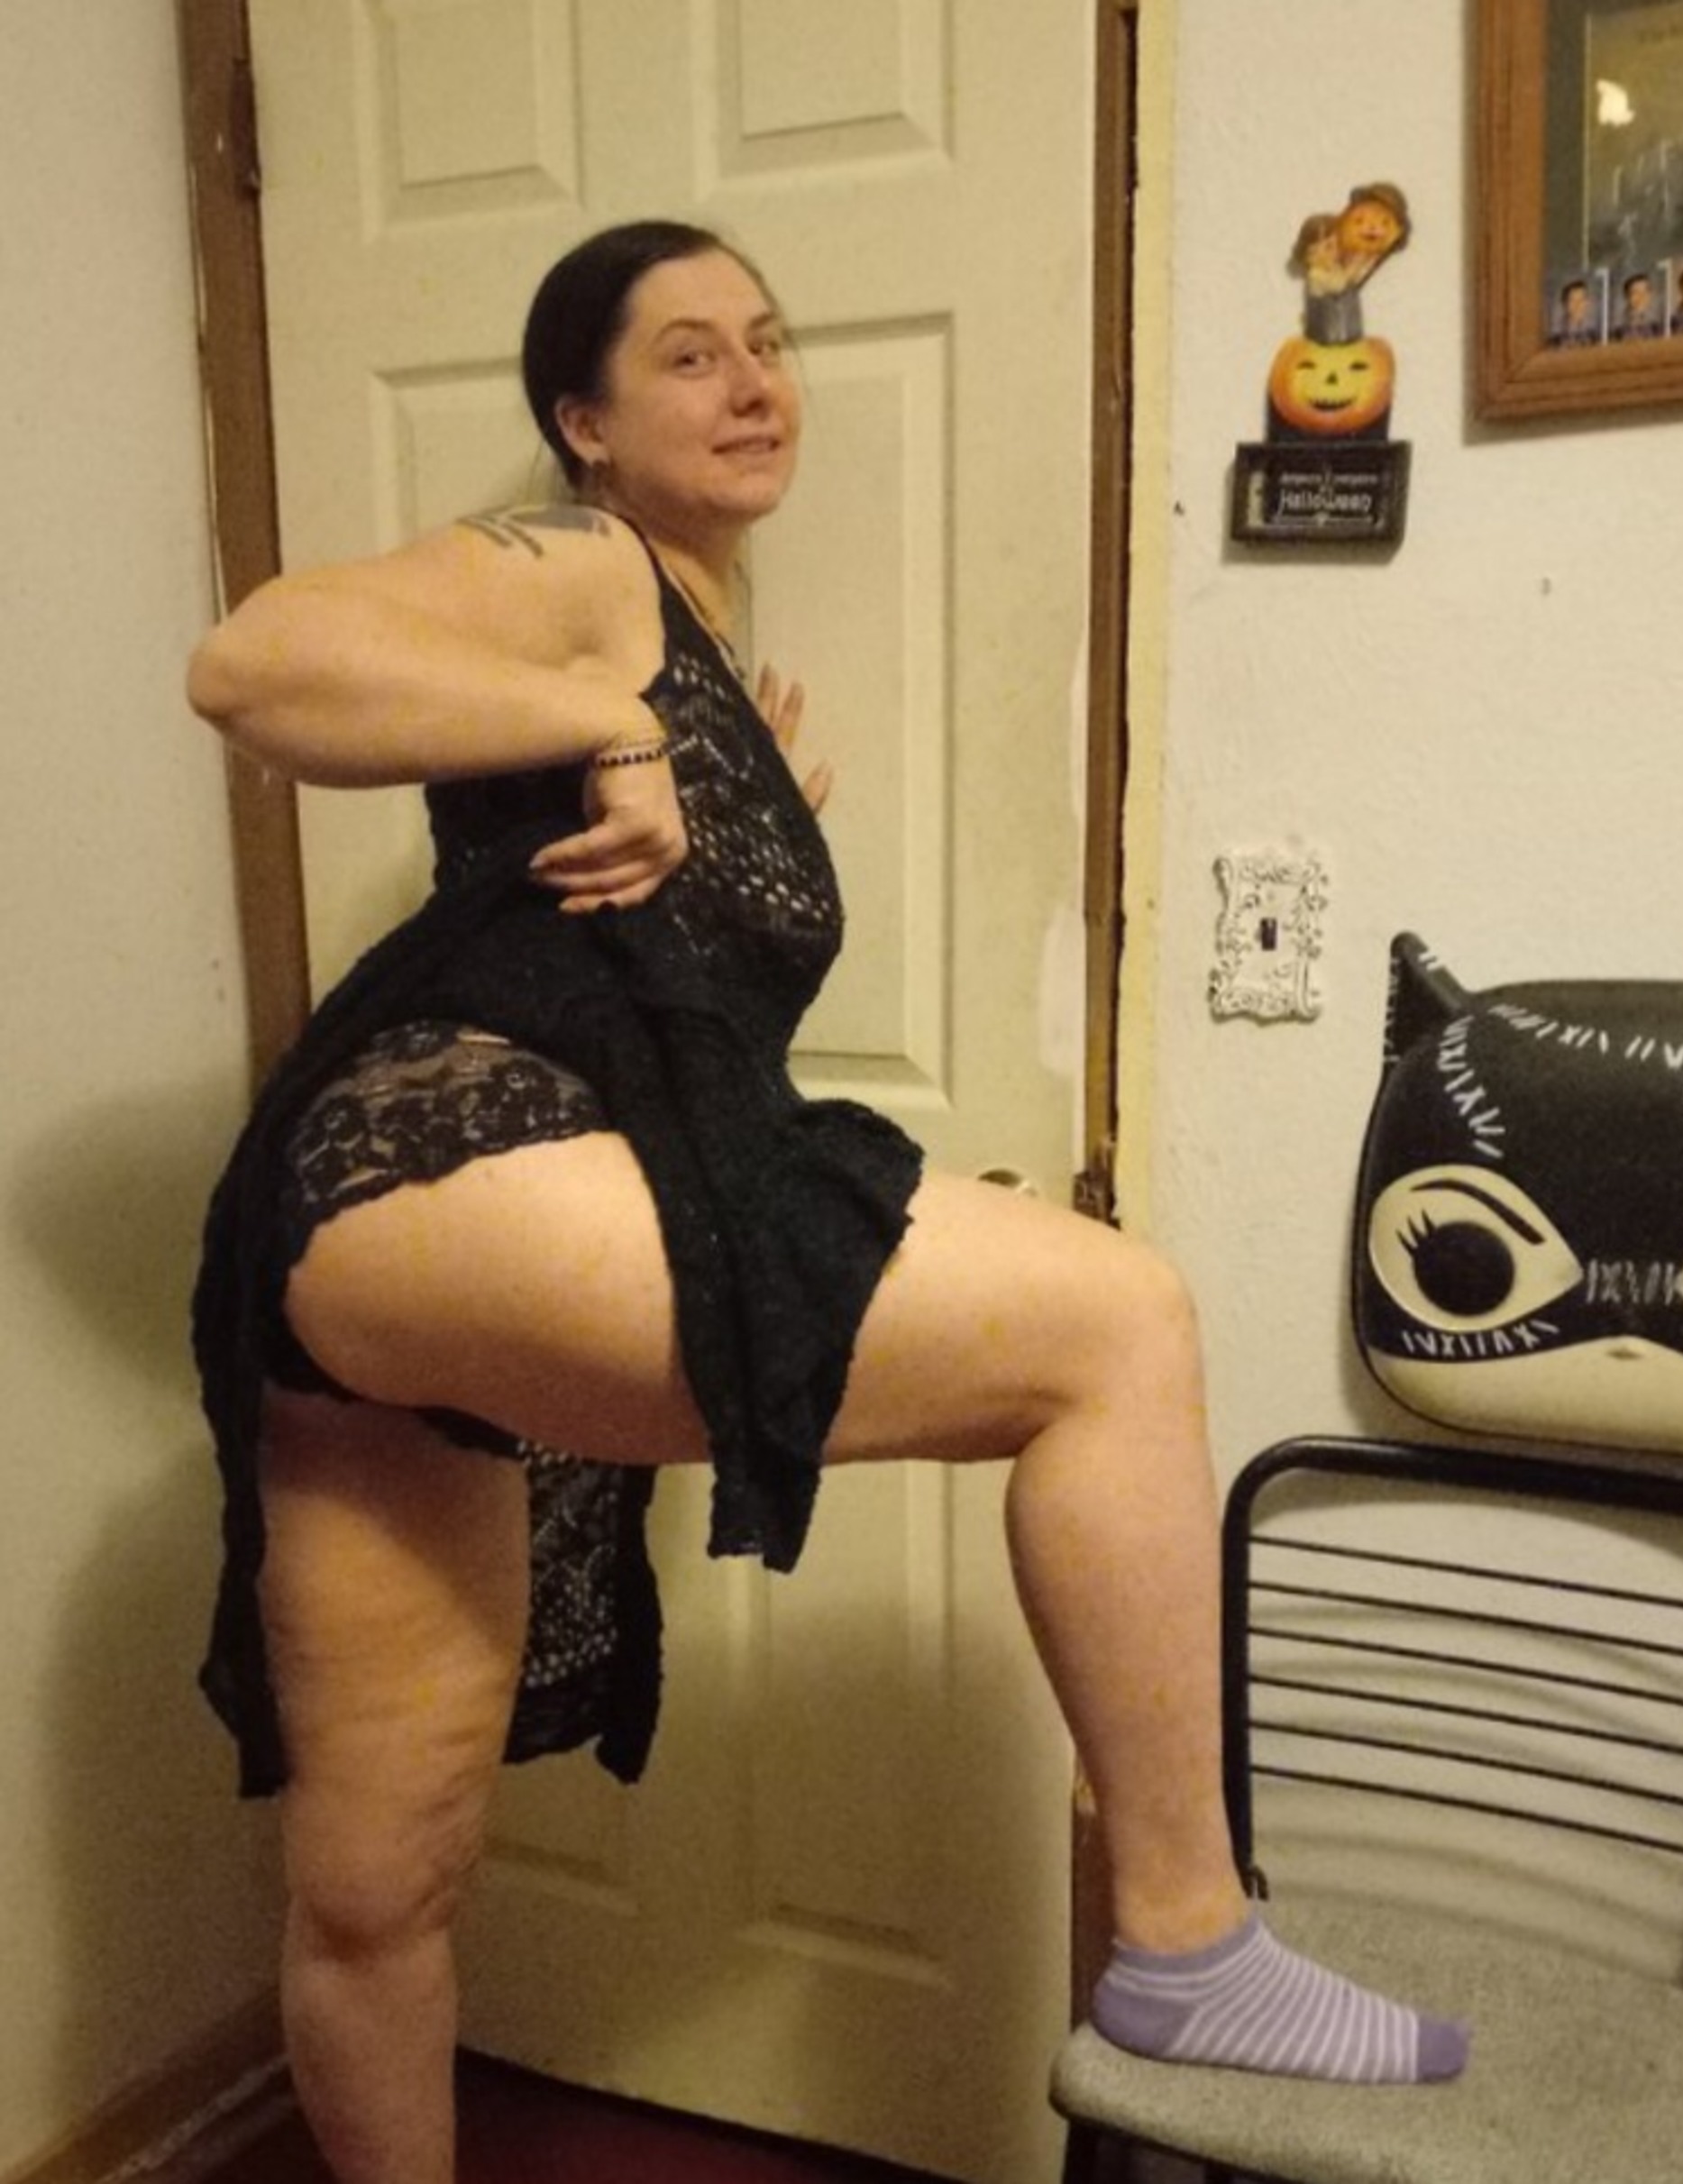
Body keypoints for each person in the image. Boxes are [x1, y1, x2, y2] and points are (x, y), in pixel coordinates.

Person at [188, 219, 1468, 2184]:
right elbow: (254, 664)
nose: (753, 378)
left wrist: (704, 774)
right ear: (584, 422)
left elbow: (631, 948)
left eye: (769, 341)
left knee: (378, 1878)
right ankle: (1190, 1939)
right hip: (451, 1147)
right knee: (1118, 1323)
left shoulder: (698, 653)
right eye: (689, 352)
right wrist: (609, 721)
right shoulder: (584, 565)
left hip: (347, 1240)